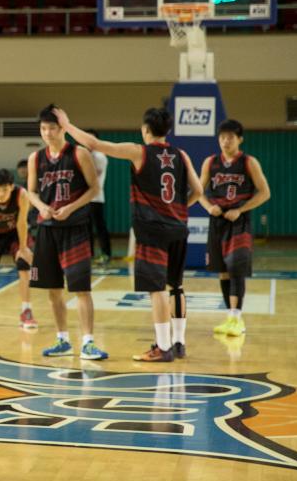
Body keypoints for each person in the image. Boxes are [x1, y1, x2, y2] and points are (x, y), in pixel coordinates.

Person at [56, 108, 201, 362]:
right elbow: (198, 190)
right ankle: (179, 343)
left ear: (146, 130)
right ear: (167, 130)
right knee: (176, 287)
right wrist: (178, 209)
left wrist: (67, 124)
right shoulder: (181, 154)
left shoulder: (139, 151)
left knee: (156, 289)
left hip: (153, 230)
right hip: (178, 228)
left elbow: (93, 143)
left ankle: (163, 347)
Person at [26, 105, 107, 360]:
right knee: (53, 289)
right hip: (48, 229)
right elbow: (31, 191)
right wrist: (42, 207)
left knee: (81, 288)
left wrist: (70, 208)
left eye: (52, 128)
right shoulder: (35, 159)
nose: (47, 133)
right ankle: (62, 339)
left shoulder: (79, 153)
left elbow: (94, 189)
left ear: (62, 128)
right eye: (43, 129)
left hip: (75, 228)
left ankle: (88, 342)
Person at [201, 119, 271, 338]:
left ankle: (237, 319)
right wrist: (208, 206)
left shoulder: (249, 162)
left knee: (236, 268)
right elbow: (198, 191)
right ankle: (229, 317)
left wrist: (241, 209)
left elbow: (264, 192)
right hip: (218, 221)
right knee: (222, 271)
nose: (225, 141)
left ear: (240, 139)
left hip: (239, 222)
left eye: (230, 137)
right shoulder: (210, 162)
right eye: (222, 137)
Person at [0, 168, 37, 330]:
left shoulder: (21, 195)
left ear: (11, 187)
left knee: (24, 264)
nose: (1, 194)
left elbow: (22, 223)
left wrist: (23, 248)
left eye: (4, 190)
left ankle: (26, 310)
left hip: (16, 233)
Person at [85, 129, 111, 265]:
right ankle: (89, 255)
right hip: (84, 198)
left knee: (99, 227)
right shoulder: (85, 154)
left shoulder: (99, 156)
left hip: (96, 197)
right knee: (86, 228)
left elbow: (92, 176)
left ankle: (106, 254)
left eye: (91, 138)